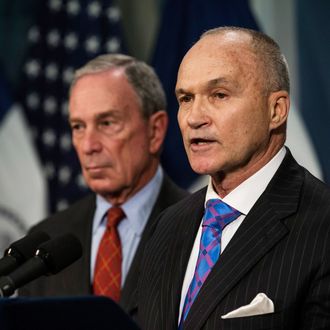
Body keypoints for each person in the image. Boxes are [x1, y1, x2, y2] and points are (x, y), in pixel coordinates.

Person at [137, 27, 330, 329]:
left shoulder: (323, 226)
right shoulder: (166, 226)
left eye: (219, 95)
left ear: (276, 110)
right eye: (186, 98)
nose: (194, 117)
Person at [18, 54, 188, 317]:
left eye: (107, 123)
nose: (88, 146)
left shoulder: (201, 228)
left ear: (155, 131)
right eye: (78, 126)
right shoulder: (46, 241)